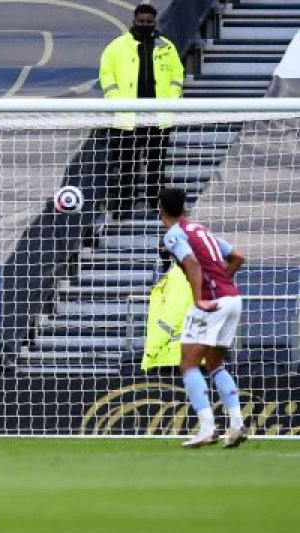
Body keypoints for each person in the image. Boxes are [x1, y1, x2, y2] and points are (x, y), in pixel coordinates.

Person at [159, 188, 248, 448]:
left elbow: (192, 264)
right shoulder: (199, 229)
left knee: (188, 364)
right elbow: (237, 257)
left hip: (212, 303)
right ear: (184, 208)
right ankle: (236, 423)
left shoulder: (174, 235)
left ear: (161, 210)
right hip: (232, 299)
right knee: (214, 364)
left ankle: (207, 427)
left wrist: (200, 297)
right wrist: (221, 283)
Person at [99, 3, 184, 217]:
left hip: (158, 117)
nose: (145, 24)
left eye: (149, 22)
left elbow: (177, 74)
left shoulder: (166, 47)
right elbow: (106, 74)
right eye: (141, 21)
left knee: (156, 163)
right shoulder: (117, 47)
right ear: (134, 21)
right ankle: (124, 206)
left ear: (155, 22)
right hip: (128, 117)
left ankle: (155, 205)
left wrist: (172, 99)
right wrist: (115, 99)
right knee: (127, 164)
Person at [141, 241, 193, 372]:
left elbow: (171, 317)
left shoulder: (179, 276)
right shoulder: (185, 273)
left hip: (174, 355)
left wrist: (152, 350)